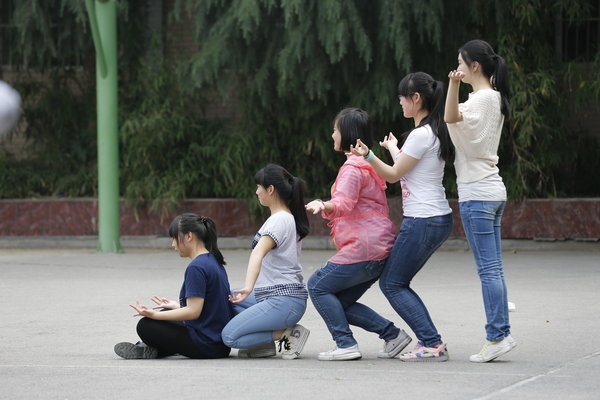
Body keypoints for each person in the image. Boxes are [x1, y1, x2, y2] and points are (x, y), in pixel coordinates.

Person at [351, 72, 454, 362]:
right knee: (396, 281)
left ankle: (432, 344)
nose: (399, 103)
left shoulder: (422, 135)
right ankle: (431, 342)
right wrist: (393, 148)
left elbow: (395, 175)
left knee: (393, 283)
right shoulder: (431, 132)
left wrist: (368, 155)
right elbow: (408, 166)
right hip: (434, 217)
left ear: (416, 99)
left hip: (423, 220)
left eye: (402, 98)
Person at [305, 107, 406, 361]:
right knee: (338, 302)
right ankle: (392, 335)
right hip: (377, 247)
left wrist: (323, 204)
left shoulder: (353, 168)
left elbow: (344, 203)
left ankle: (345, 343)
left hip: (363, 247)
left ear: (347, 133)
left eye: (336, 130)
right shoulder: (369, 164)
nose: (332, 135)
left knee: (317, 286)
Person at [444, 39, 516, 362]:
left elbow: (449, 118)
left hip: (477, 194)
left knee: (488, 270)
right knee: (494, 268)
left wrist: (451, 85)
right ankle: (500, 331)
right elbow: (453, 118)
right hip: (492, 191)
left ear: (475, 66)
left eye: (461, 63)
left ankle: (497, 335)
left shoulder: (481, 99)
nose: (457, 69)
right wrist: (455, 85)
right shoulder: (490, 98)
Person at [221, 164, 311, 359]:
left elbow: (257, 253)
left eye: (259, 187)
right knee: (226, 299)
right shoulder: (284, 218)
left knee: (229, 336)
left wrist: (248, 286)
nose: (256, 191)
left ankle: (287, 334)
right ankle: (263, 347)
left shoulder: (280, 220)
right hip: (277, 296)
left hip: (284, 301)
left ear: (270, 189)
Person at [114, 213, 235, 359]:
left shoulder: (196, 267)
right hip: (219, 344)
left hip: (206, 345)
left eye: (174, 238)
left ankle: (153, 348)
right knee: (166, 311)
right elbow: (211, 308)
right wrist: (177, 306)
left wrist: (154, 315)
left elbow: (193, 312)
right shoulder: (213, 260)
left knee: (146, 325)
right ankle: (156, 349)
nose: (173, 244)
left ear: (189, 236)